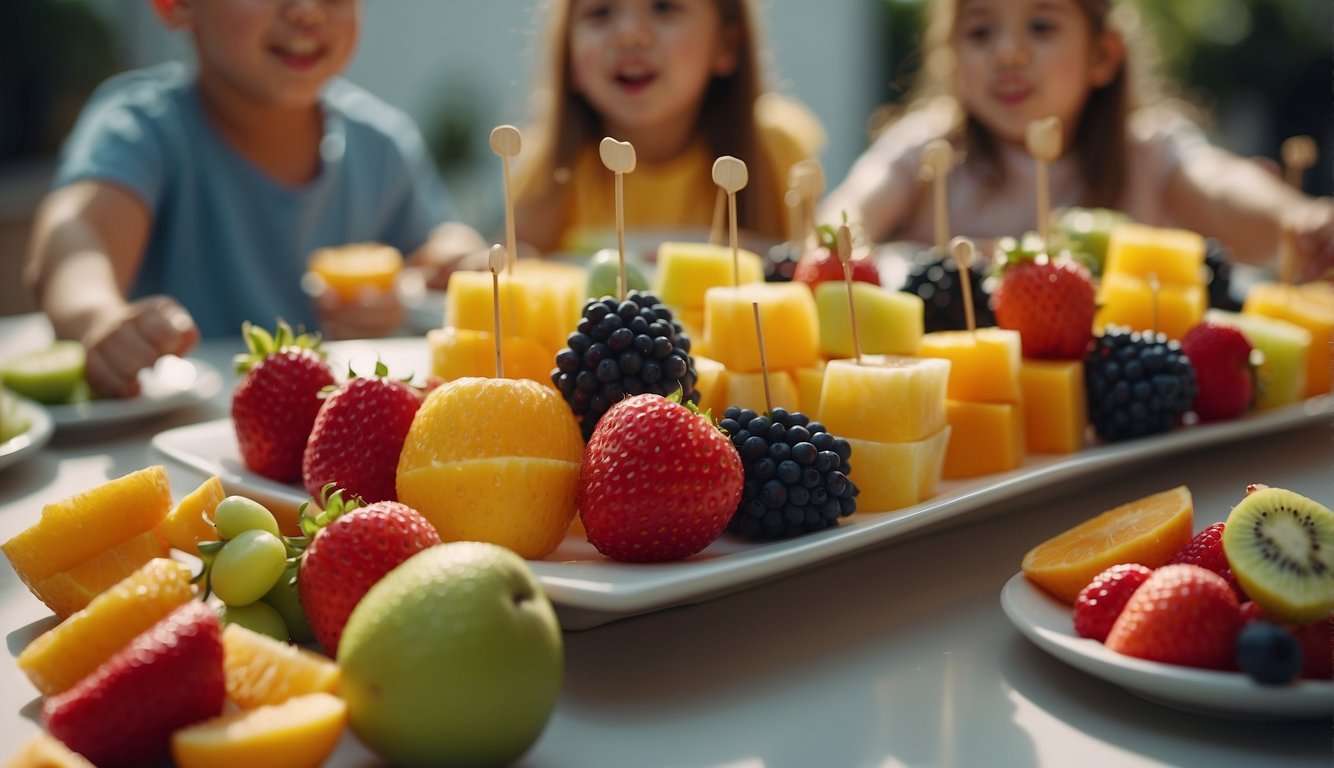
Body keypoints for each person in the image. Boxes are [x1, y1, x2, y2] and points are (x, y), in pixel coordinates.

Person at [24, 0, 485, 398]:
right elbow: (76, 237)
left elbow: (436, 249)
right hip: (174, 452)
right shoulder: (142, 129)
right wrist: (97, 318)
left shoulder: (381, 144)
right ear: (175, 4)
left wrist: (456, 259)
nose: (307, 9)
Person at [820, 0, 1334, 280]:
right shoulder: (928, 149)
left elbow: (1219, 183)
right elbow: (852, 209)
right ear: (951, 58)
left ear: (1103, 56)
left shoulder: (1147, 150)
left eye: (1041, 26)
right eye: (980, 32)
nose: (1008, 53)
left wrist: (1297, 219)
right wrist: (836, 245)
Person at [507, 0, 825, 257]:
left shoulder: (774, 148)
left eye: (664, 7)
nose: (629, 34)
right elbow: (508, 267)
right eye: (600, 12)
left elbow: (813, 265)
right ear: (570, 58)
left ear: (726, 43)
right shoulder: (547, 164)